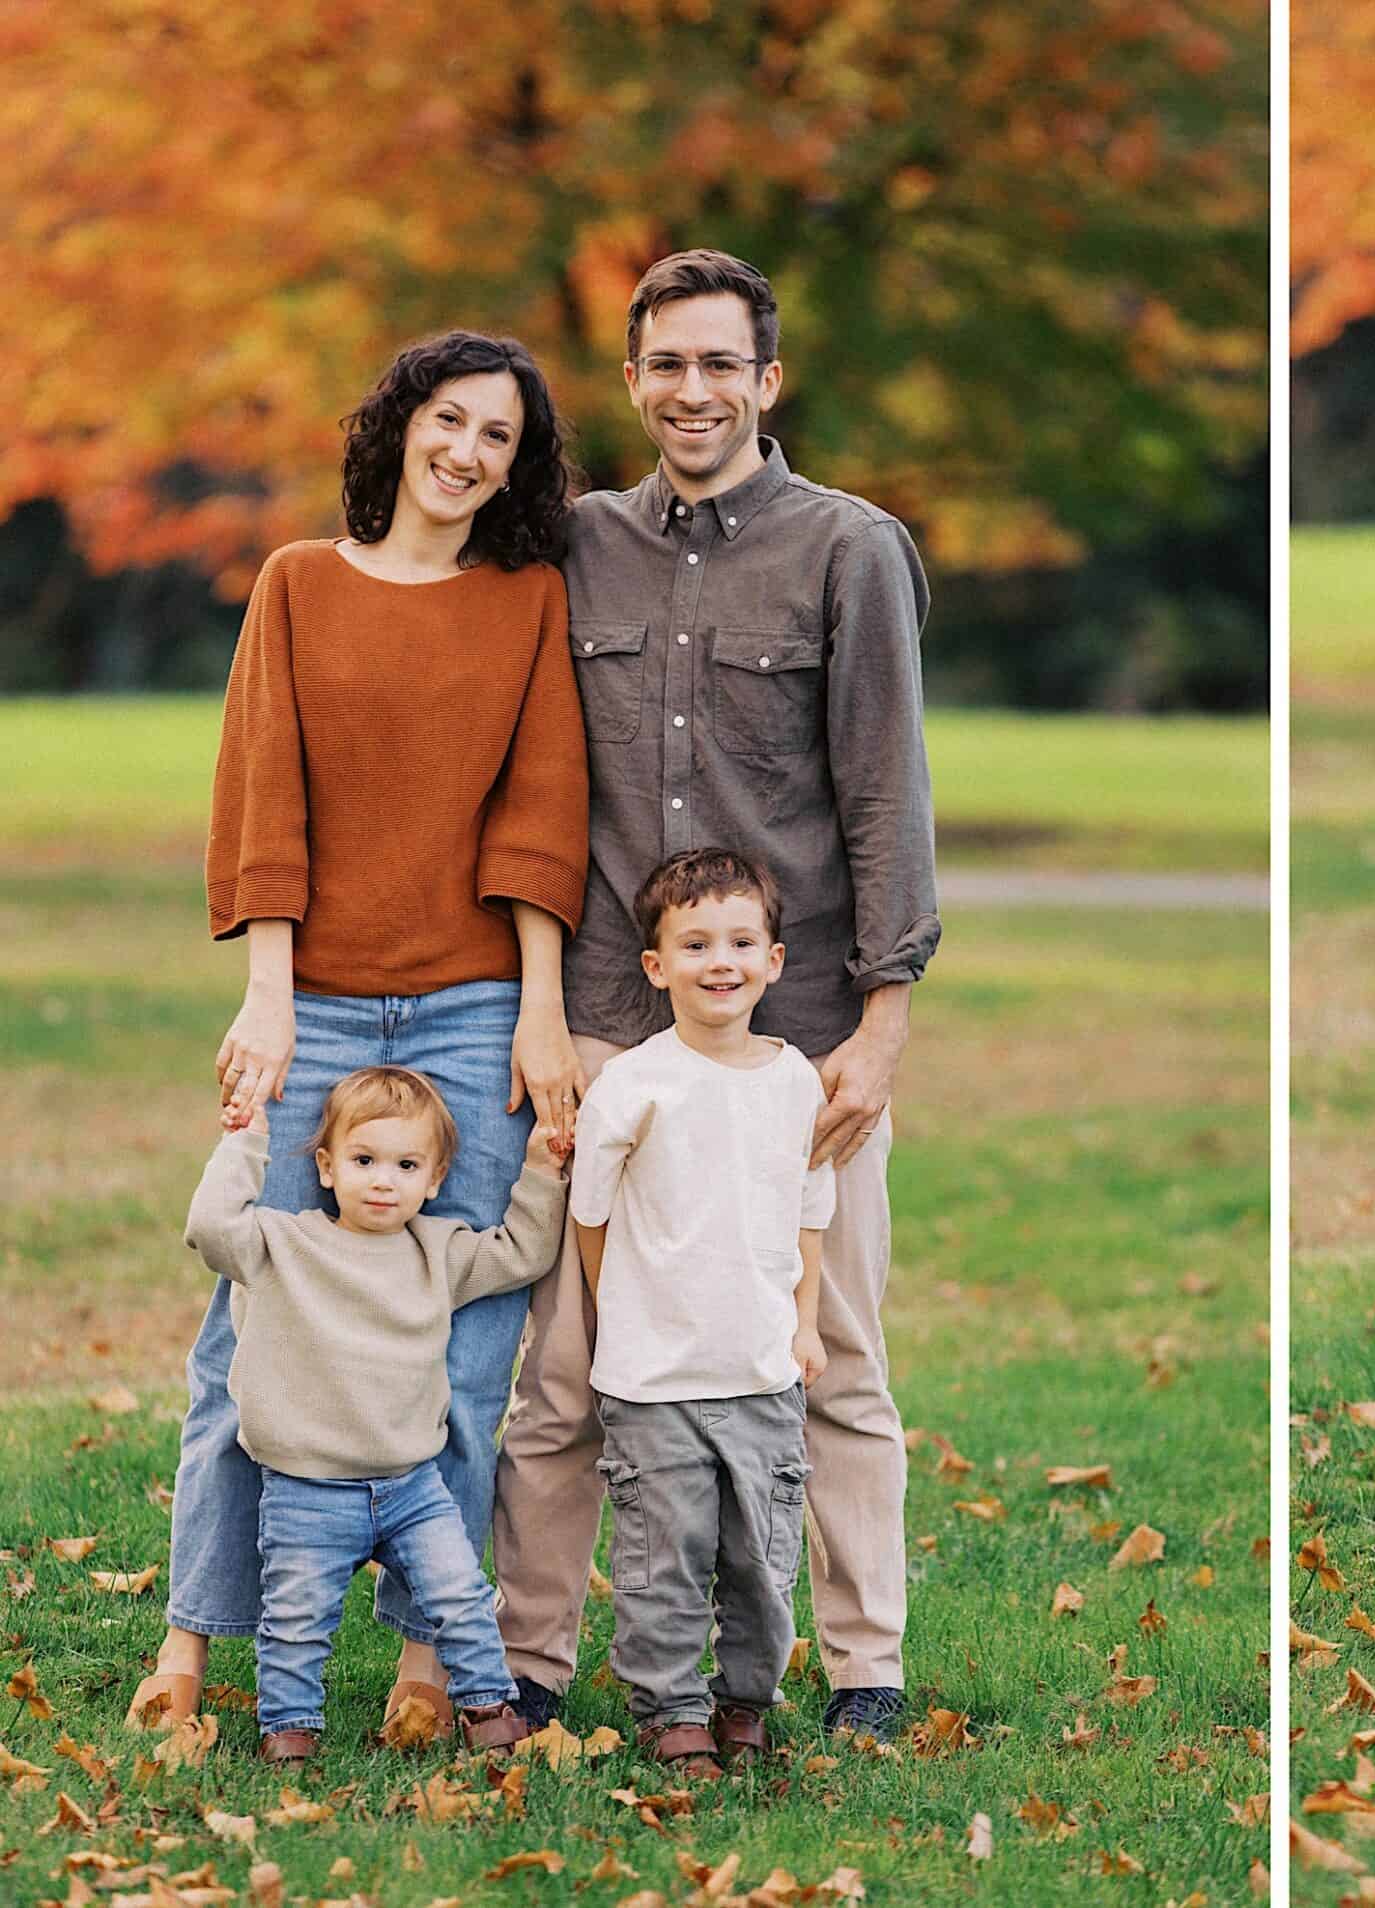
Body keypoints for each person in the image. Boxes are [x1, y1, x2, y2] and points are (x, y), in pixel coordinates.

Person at [492, 250, 938, 1740]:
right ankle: (529, 1663)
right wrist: (548, 1015)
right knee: (568, 1365)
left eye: (721, 364)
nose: (695, 391)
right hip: (609, 1028)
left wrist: (881, 1029)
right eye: (668, 365)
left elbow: (886, 795)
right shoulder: (576, 547)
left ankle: (864, 1666)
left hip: (793, 1046)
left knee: (829, 1354)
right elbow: (534, 786)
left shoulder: (849, 549)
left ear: (768, 379)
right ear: (632, 380)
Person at [131, 333, 588, 1735]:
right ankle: (192, 1647)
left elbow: (540, 811)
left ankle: (426, 1662)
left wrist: (543, 1013)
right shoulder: (297, 585)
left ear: (516, 467)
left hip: (476, 1006)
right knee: (249, 1330)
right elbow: (263, 793)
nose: (466, 452)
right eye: (448, 419)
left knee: (466, 1347)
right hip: (319, 1001)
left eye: (498, 436)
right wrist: (268, 992)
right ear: (399, 427)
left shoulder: (526, 601)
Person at [181, 1067, 564, 1761]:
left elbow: (522, 1252)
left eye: (406, 1166)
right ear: (327, 1168)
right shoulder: (281, 1244)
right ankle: (289, 1731)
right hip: (306, 1488)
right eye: (364, 1161)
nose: (383, 1181)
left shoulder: (437, 1252)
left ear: (435, 1179)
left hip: (412, 1486)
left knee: (461, 1597)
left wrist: (540, 1169)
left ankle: (489, 1709)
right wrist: (245, 1142)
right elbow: (211, 1229)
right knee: (296, 1621)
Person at [569, 849, 833, 1773]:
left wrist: (804, 1324)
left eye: (741, 942)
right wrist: (621, 1311)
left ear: (774, 960)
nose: (720, 961)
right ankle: (671, 1710)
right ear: (657, 966)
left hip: (762, 1373)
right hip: (654, 1382)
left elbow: (809, 1214)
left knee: (762, 1562)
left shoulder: (795, 1082)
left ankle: (745, 1703)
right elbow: (591, 1214)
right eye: (695, 944)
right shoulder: (634, 1083)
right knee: (663, 1558)